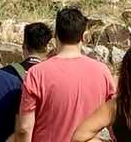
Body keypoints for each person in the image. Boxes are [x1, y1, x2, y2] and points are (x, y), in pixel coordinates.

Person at [15, 7, 115, 142]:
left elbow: (24, 128)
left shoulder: (37, 73)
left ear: (55, 35)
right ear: (84, 37)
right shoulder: (102, 72)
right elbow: (114, 121)